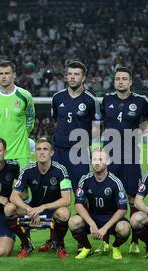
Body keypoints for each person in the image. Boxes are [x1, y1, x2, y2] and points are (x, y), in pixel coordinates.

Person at [101, 66, 148, 254]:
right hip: (110, 156)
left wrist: (140, 131)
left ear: (131, 82)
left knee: (133, 198)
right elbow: (103, 122)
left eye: (124, 79)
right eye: (118, 79)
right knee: (107, 197)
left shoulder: (140, 101)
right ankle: (106, 240)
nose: (120, 81)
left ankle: (135, 242)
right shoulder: (107, 100)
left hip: (131, 156)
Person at [5, 138, 72, 258]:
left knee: (64, 213)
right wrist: (29, 209)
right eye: (39, 149)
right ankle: (26, 244)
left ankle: (58, 244)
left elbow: (67, 200)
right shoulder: (27, 170)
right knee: (9, 208)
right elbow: (13, 196)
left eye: (45, 149)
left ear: (51, 152)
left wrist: (43, 207)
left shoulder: (61, 170)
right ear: (35, 153)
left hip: (53, 209)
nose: (41, 152)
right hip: (32, 209)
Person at [69, 148, 131, 260]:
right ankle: (86, 247)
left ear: (108, 161)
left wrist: (105, 228)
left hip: (111, 219)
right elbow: (78, 204)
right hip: (93, 218)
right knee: (73, 222)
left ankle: (116, 246)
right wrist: (92, 223)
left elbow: (122, 209)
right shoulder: (85, 180)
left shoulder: (115, 182)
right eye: (94, 159)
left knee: (124, 228)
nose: (97, 162)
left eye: (101, 159)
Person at [51, 61, 102, 192]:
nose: (72, 77)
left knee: (81, 192)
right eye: (70, 74)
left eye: (76, 74)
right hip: (58, 151)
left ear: (83, 78)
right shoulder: (57, 98)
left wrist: (95, 153)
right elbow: (56, 121)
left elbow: (96, 130)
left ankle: (82, 213)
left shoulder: (91, 100)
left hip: (79, 153)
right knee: (54, 191)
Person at [0, 61, 36, 169]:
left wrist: (24, 134)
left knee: (22, 186)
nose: (3, 76)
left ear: (14, 75)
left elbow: (30, 118)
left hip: (21, 153)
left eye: (7, 73)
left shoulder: (25, 96)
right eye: (1, 73)